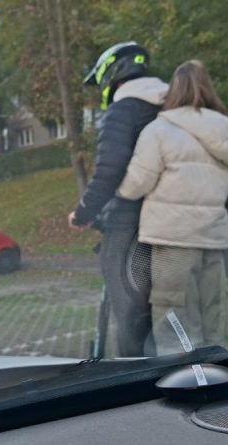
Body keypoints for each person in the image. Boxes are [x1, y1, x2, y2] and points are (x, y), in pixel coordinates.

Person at [116, 60, 228, 355]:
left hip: (172, 236)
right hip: (212, 236)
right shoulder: (227, 133)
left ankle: (182, 368)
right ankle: (216, 363)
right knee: (212, 307)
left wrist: (117, 190)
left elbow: (137, 183)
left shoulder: (159, 131)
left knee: (172, 309)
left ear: (173, 91)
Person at [68, 42, 168, 357]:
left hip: (131, 227)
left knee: (131, 312)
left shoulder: (123, 110)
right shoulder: (171, 109)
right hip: (175, 222)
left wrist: (83, 214)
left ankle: (135, 376)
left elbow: (110, 171)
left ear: (111, 75)